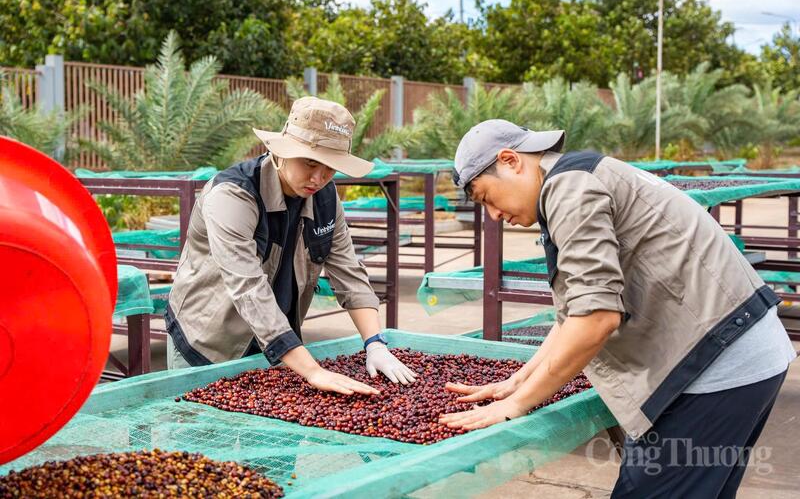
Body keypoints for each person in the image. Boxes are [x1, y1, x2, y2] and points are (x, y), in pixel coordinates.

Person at [439, 119, 796, 498]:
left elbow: (596, 319)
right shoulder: (578, 176)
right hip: (740, 352)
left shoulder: (569, 188)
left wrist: (516, 406)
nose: (493, 215)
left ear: (511, 160)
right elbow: (574, 313)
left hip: (717, 367)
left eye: (485, 197)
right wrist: (518, 381)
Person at [165, 96, 417, 395]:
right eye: (310, 162)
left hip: (277, 349)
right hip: (207, 346)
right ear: (281, 151)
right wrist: (312, 370)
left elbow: (348, 270)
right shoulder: (233, 195)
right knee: (197, 436)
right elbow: (248, 289)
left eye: (330, 168)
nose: (319, 178)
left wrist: (375, 343)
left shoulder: (325, 197)